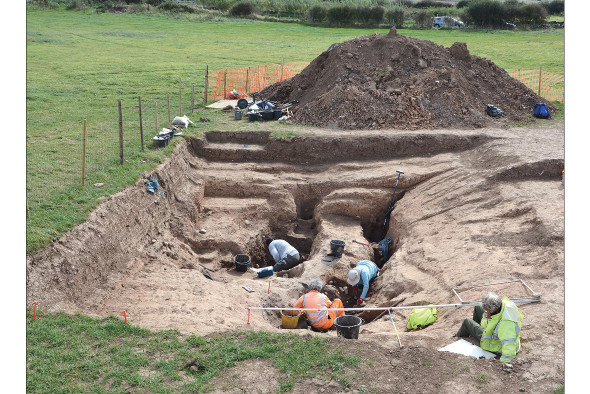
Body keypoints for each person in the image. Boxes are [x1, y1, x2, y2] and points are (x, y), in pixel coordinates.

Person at [455, 292, 524, 363]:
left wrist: (505, 362)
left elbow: (509, 344)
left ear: (494, 310)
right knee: (477, 307)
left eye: (488, 311)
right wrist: (488, 315)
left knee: (467, 322)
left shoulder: (506, 324)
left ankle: (457, 337)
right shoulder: (504, 305)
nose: (486, 312)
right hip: (495, 331)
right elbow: (490, 322)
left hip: (495, 344)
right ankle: (473, 334)